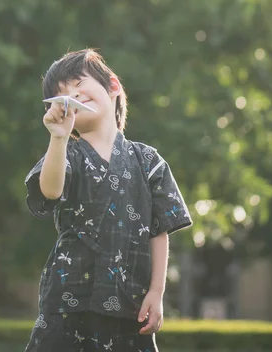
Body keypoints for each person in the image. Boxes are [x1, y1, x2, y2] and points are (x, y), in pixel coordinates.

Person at [24, 49, 192, 352]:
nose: (72, 96)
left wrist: (157, 291)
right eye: (62, 95)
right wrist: (58, 137)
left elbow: (159, 229)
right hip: (68, 298)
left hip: (130, 302)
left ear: (113, 86)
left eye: (78, 84)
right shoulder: (66, 153)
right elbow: (49, 191)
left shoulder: (148, 160)